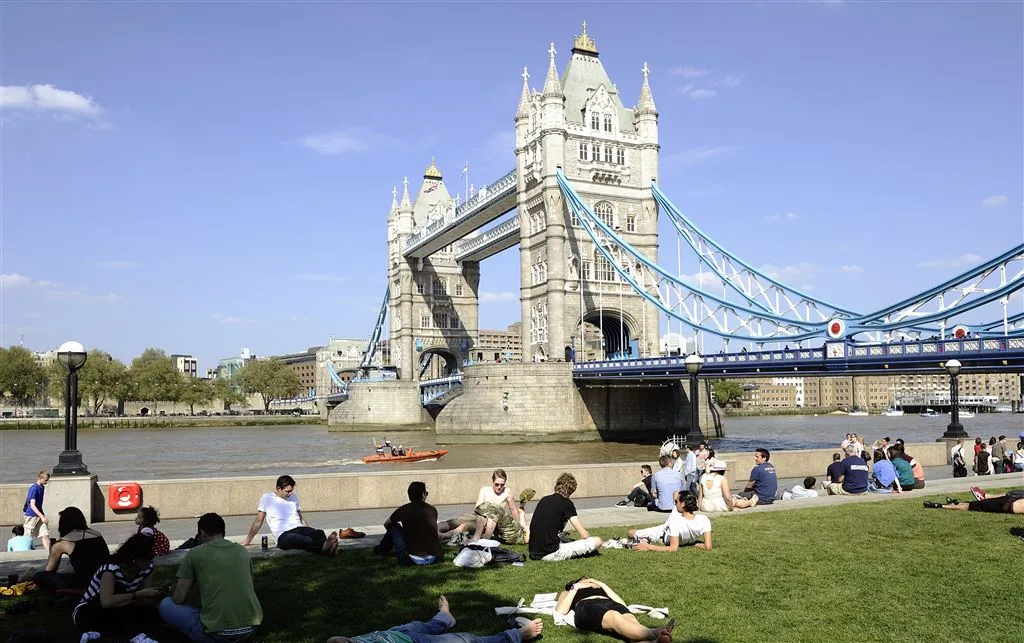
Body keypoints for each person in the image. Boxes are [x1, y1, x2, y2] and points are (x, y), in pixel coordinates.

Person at [160, 512, 263, 642]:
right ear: (223, 531)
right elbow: (250, 587)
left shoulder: (194, 554)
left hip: (217, 633)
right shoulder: (242, 551)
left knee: (166, 604)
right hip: (251, 628)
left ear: (202, 533)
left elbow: (179, 598)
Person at [325, 595, 543, 643]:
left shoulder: (349, 641)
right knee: (466, 640)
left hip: (398, 632)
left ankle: (445, 617)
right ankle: (515, 636)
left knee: (423, 625)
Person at [73, 533, 165, 643]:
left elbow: (143, 601)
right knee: (119, 591)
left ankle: (100, 634)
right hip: (91, 609)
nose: (150, 561)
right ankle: (133, 635)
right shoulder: (111, 568)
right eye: (147, 558)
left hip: (123, 607)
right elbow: (106, 602)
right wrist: (137, 595)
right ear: (134, 558)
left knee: (148, 612)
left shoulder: (147, 569)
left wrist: (155, 594)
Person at [241, 475, 339, 554]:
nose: (290, 493)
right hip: (283, 535)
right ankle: (325, 547)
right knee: (304, 540)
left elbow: (300, 518)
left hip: (299, 528)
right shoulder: (267, 498)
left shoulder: (293, 497)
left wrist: (309, 530)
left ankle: (325, 547)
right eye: (287, 491)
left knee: (319, 533)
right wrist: (247, 541)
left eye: (291, 491)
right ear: (278, 488)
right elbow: (258, 521)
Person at [554, 578, 673, 642]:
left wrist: (601, 584)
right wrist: (576, 587)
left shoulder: (599, 588)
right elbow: (561, 611)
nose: (589, 581)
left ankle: (654, 641)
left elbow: (622, 604)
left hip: (609, 602)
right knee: (614, 616)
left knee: (630, 619)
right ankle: (653, 633)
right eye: (585, 579)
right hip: (587, 605)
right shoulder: (570, 590)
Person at [438, 469, 531, 544]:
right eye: (497, 484)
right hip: (479, 516)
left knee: (464, 526)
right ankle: (433, 530)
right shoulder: (484, 490)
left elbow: (513, 509)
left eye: (502, 485)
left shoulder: (507, 492)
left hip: (493, 521)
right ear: (492, 481)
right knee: (453, 522)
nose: (499, 487)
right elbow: (478, 507)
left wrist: (518, 526)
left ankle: (442, 537)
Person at [33, 506, 110, 593]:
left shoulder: (62, 543)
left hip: (84, 582)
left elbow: (49, 570)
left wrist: (52, 550)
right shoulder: (96, 534)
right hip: (106, 578)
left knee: (39, 576)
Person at [528, 473, 602, 561]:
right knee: (598, 541)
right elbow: (584, 535)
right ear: (570, 490)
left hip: (533, 551)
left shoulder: (544, 499)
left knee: (562, 537)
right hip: (550, 553)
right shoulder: (567, 503)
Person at [375, 481, 443, 565]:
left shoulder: (403, 509)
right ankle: (381, 549)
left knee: (394, 526)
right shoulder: (432, 509)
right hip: (434, 557)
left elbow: (386, 524)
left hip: (410, 559)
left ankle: (381, 549)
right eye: (426, 493)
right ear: (423, 494)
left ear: (409, 496)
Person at [629, 491, 712, 551]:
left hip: (661, 534)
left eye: (676, 502)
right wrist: (696, 544)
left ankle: (643, 538)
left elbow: (673, 548)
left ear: (683, 504)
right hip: (671, 525)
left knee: (631, 533)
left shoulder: (676, 521)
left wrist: (648, 547)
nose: (675, 504)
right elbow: (708, 546)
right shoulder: (704, 519)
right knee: (676, 493)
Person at [924, 487, 1024, 514]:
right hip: (1010, 501)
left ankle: (941, 505)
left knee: (973, 506)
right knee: (975, 504)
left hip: (1008, 504)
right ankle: (954, 504)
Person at [22, 470, 51, 553]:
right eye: (46, 480)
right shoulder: (34, 488)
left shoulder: (42, 487)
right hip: (32, 515)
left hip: (39, 514)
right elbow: (32, 505)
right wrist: (42, 516)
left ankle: (49, 554)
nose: (47, 481)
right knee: (27, 536)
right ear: (40, 478)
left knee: (45, 534)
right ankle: (24, 553)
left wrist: (42, 515)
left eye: (48, 479)